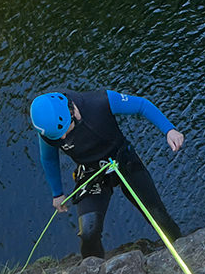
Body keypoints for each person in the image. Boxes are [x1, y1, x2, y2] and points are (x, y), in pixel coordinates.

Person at [29, 88, 185, 259]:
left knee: (157, 215)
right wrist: (57, 193)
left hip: (123, 161)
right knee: (88, 232)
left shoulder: (99, 102)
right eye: (58, 137)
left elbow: (141, 105)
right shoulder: (50, 130)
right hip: (91, 172)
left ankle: (182, 247)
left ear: (72, 111)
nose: (64, 137)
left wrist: (169, 130)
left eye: (67, 129)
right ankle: (95, 270)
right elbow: (49, 159)